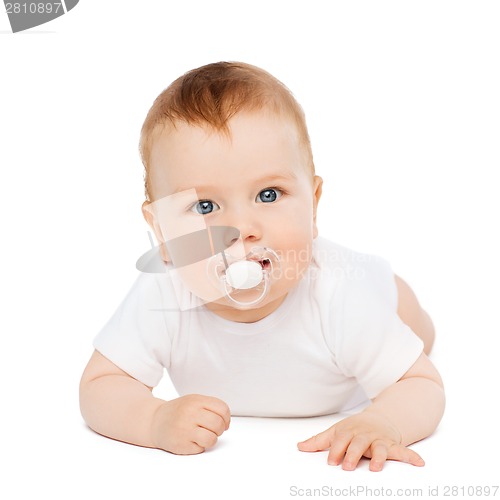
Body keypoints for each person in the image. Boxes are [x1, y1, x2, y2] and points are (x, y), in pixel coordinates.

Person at [79, 61, 444, 472]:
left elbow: (422, 384)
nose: (243, 230)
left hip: (380, 295)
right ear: (162, 234)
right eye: (205, 207)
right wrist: (152, 420)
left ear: (314, 205)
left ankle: (408, 315)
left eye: (269, 194)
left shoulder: (341, 295)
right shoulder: (164, 294)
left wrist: (383, 421)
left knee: (416, 331)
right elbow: (101, 386)